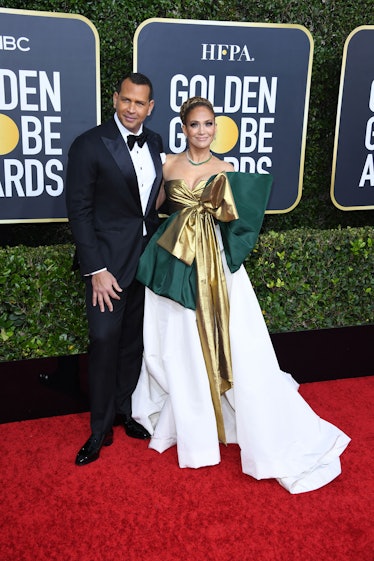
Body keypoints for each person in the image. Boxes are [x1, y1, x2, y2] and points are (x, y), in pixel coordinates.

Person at [132, 96, 350, 494]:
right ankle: (191, 412)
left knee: (234, 339)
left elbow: (243, 221)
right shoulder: (167, 166)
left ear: (216, 128)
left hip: (216, 265)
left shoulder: (228, 169)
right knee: (179, 340)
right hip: (177, 262)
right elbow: (151, 209)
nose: (202, 131)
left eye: (208, 124)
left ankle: (232, 409)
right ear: (183, 128)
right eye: (195, 125)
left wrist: (224, 253)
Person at [66, 72, 164, 466]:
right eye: (126, 100)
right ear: (115, 99)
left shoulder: (155, 142)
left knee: (133, 341)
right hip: (107, 264)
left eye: (140, 103)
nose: (131, 109)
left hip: (145, 258)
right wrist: (95, 269)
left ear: (150, 107)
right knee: (105, 340)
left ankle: (124, 412)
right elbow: (79, 210)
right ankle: (99, 429)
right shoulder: (89, 144)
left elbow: (153, 201)